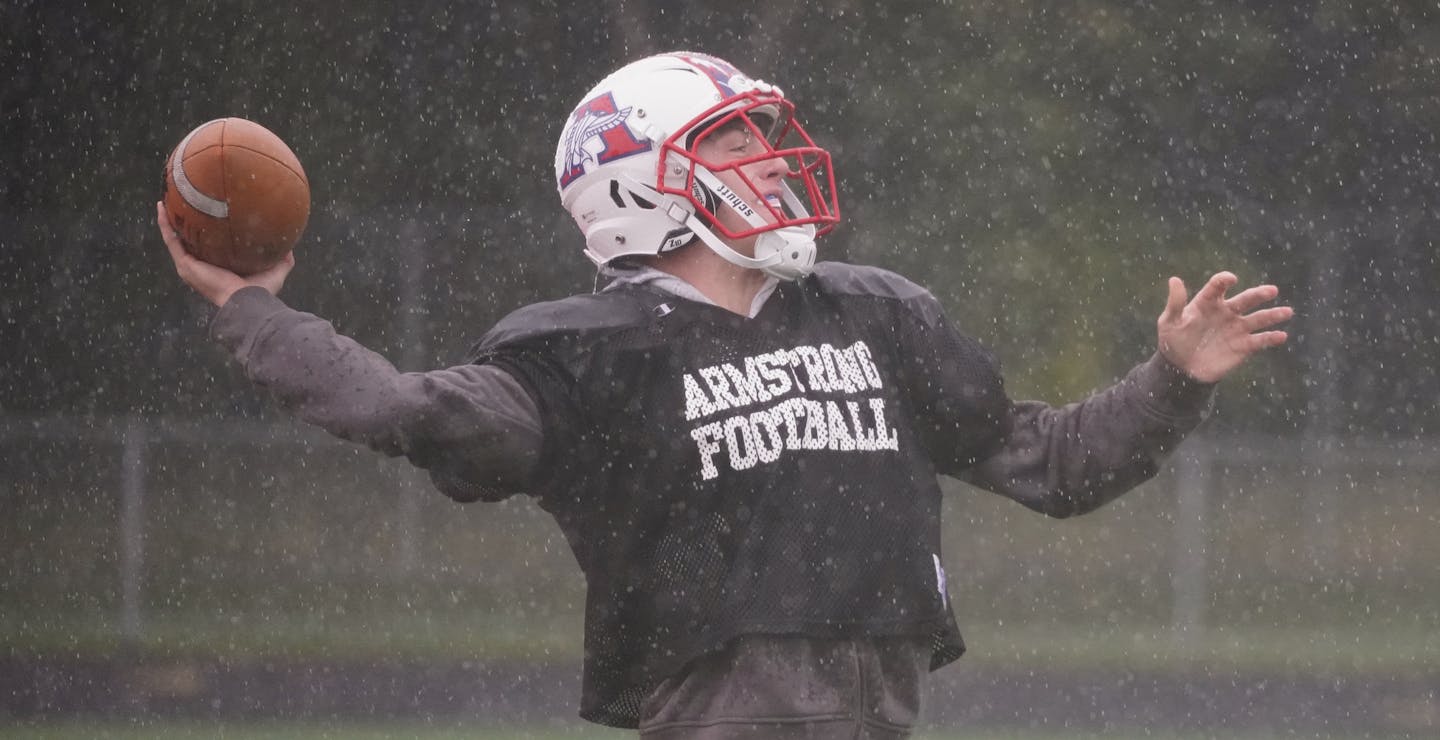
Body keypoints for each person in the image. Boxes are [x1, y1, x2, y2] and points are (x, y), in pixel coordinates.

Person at [156, 51, 1291, 738]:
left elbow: (1045, 460)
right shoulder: (588, 350)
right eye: (733, 142)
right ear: (636, 186)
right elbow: (407, 410)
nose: (772, 161)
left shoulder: (869, 310)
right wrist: (253, 307)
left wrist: (1172, 382)